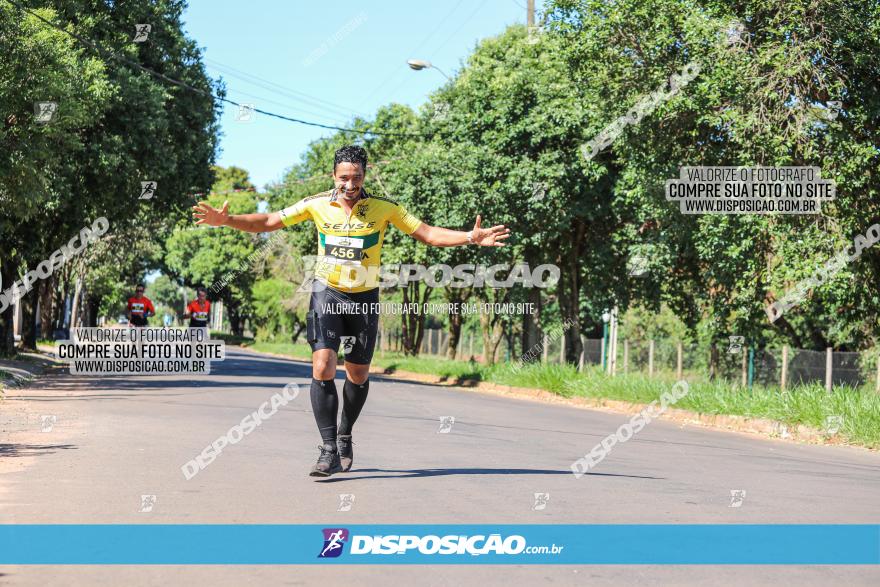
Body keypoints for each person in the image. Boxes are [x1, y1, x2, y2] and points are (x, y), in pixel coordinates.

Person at [192, 145, 510, 477]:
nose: (350, 184)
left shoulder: (385, 209)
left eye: (356, 177)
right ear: (334, 176)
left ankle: (345, 434)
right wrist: (226, 220)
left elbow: (428, 234)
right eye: (344, 177)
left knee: (357, 375)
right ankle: (328, 449)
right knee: (323, 363)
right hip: (326, 293)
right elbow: (269, 221)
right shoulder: (316, 204)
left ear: (364, 176)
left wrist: (470, 238)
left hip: (364, 298)